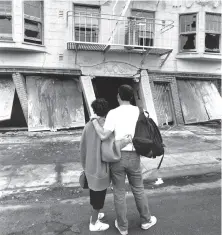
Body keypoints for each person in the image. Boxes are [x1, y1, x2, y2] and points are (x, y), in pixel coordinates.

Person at [92, 85, 157, 235]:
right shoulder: (139, 111)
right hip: (134, 155)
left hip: (117, 156)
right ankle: (146, 221)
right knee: (138, 189)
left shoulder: (113, 113)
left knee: (119, 192)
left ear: (118, 96)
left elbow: (103, 136)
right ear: (132, 97)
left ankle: (122, 227)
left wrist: (95, 121)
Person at [80, 98, 131, 232]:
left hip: (90, 166)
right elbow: (112, 148)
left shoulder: (87, 125)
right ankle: (93, 223)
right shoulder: (107, 127)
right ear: (107, 111)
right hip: (101, 167)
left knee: (93, 192)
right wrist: (125, 141)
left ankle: (96, 214)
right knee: (98, 196)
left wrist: (84, 164)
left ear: (94, 110)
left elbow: (82, 147)